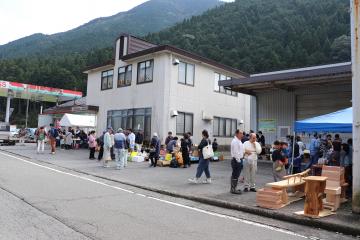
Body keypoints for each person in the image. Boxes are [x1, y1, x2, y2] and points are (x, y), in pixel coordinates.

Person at [230, 130, 245, 194]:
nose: (242, 134)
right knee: (235, 175)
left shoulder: (239, 141)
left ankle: (233, 188)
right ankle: (233, 189)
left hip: (238, 159)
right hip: (236, 160)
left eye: (242, 133)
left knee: (236, 174)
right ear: (236, 134)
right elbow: (236, 152)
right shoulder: (235, 141)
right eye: (240, 133)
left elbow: (240, 151)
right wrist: (239, 161)